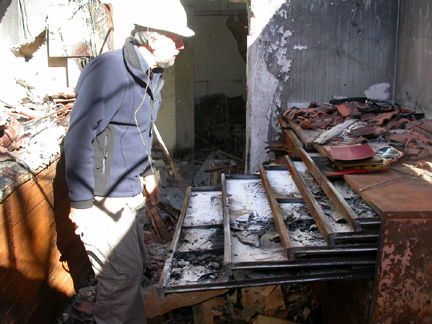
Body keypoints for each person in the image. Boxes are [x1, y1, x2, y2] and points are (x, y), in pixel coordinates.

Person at [63, 1, 194, 323]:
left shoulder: (148, 73)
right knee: (119, 280)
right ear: (152, 38)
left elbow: (136, 131)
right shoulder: (110, 69)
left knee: (132, 272)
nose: (182, 45)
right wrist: (81, 203)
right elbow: (79, 137)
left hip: (128, 189)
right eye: (176, 37)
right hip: (104, 197)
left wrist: (148, 172)